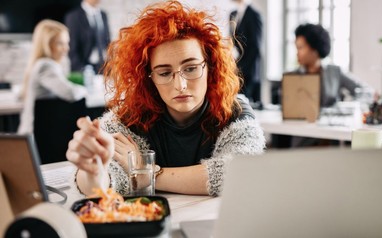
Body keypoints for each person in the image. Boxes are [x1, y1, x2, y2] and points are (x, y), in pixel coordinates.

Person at [66, 1, 266, 197]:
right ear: (148, 77)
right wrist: (92, 171)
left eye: (191, 68)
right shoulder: (130, 118)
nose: (180, 85)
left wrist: (146, 172)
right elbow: (101, 182)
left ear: (210, 67)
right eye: (164, 73)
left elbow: (241, 173)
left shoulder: (234, 110)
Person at [273, 23, 363, 148]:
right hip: (303, 138)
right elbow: (287, 108)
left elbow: (363, 90)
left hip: (331, 138)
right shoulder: (292, 77)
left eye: (300, 48)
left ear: (314, 49)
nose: (297, 53)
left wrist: (347, 108)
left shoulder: (335, 72)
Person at [18, 19, 87, 135]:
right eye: (60, 43)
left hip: (38, 133)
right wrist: (86, 90)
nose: (67, 48)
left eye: (67, 43)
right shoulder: (45, 66)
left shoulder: (41, 64)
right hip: (33, 136)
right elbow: (71, 93)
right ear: (46, 45)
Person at [229, 0, 263, 109]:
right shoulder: (233, 14)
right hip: (235, 70)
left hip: (249, 72)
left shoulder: (254, 15)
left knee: (246, 107)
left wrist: (242, 69)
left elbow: (255, 47)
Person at [65, 0, 110, 73]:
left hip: (103, 66)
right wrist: (80, 70)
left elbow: (107, 40)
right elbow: (72, 47)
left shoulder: (103, 15)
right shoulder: (73, 16)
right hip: (83, 67)